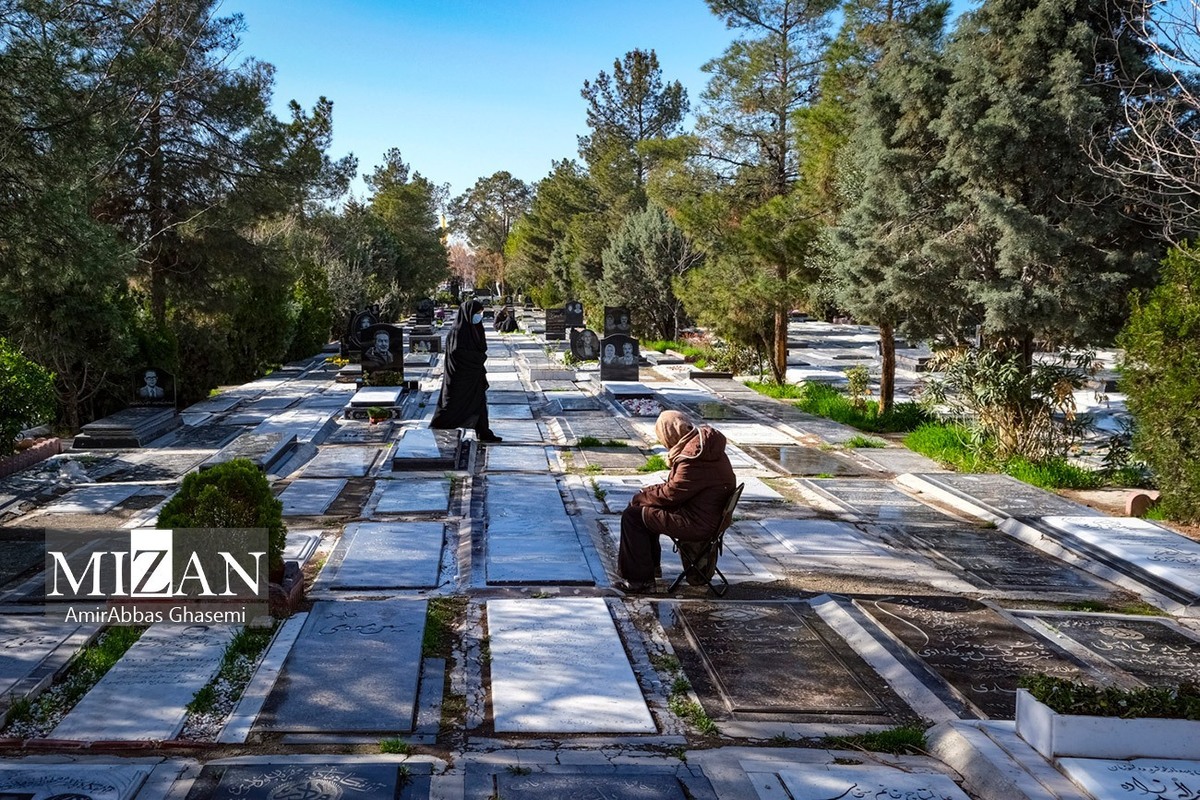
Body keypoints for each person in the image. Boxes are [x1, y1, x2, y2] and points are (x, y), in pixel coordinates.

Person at [615, 410, 736, 593]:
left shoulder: (693, 457)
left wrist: (639, 496)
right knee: (645, 509)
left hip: (697, 522)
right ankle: (649, 570)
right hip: (710, 517)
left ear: (670, 433)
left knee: (633, 516)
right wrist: (646, 494)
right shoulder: (705, 447)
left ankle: (640, 581)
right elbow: (678, 488)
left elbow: (672, 494)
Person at [431, 299, 503, 443]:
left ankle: (483, 432)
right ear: (468, 313)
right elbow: (458, 354)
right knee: (452, 405)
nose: (479, 316)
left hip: (474, 374)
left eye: (480, 313)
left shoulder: (476, 328)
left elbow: (481, 347)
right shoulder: (457, 331)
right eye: (477, 313)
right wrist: (478, 358)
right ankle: (438, 426)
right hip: (460, 377)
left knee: (480, 402)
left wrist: (479, 358)